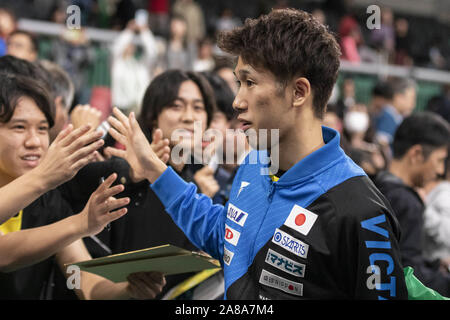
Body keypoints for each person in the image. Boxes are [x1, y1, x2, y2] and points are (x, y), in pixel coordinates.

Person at [106, 9, 408, 300]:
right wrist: (155, 170)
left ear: (299, 92)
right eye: (239, 83)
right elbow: (227, 238)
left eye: (250, 83)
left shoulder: (361, 212)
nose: (237, 101)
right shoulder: (254, 164)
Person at [0, 73, 165, 299]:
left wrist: (127, 290)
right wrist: (44, 178)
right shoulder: (42, 183)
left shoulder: (50, 202)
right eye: (19, 127)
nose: (34, 142)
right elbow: (4, 253)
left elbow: (83, 280)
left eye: (42, 129)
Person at [55, 69, 216, 300]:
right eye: (176, 106)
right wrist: (131, 173)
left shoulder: (195, 191)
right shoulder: (124, 173)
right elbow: (71, 186)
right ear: (153, 116)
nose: (189, 117)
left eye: (198, 108)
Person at [373, 112, 450, 297]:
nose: (440, 170)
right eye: (439, 160)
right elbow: (408, 272)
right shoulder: (407, 203)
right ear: (416, 154)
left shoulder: (374, 185)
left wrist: (435, 263)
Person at [111, 19, 158, 115]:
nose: (129, 47)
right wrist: (129, 31)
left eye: (131, 45)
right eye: (127, 44)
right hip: (120, 109)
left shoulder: (141, 66)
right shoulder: (118, 65)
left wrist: (145, 32)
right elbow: (116, 48)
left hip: (139, 109)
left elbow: (152, 52)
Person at [423, 149, 450, 270]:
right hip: (433, 264)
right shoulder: (444, 192)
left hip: (435, 264)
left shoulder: (444, 191)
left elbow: (446, 234)